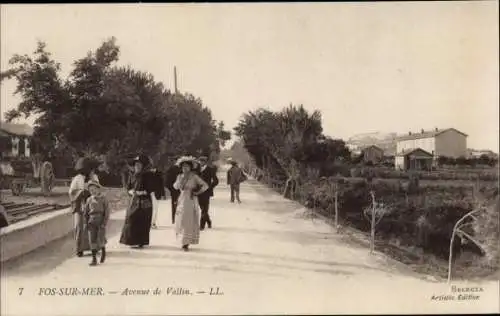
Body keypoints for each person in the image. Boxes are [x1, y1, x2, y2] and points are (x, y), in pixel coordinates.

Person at [119, 154, 156, 248]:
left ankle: (141, 242)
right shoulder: (132, 176)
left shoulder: (148, 176)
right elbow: (128, 188)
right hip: (134, 200)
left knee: (143, 220)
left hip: (145, 201)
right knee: (131, 218)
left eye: (139, 165)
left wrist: (142, 192)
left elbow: (150, 189)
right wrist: (131, 191)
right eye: (136, 165)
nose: (137, 166)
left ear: (143, 166)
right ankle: (131, 241)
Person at [173, 156, 209, 251]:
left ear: (190, 167)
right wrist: (179, 182)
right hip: (181, 199)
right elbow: (175, 187)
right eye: (183, 166)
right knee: (181, 220)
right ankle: (182, 240)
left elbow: (205, 185)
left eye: (187, 166)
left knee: (188, 221)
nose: (185, 168)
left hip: (191, 200)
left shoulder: (194, 176)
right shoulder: (179, 176)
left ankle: (186, 243)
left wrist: (197, 192)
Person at [69, 157, 100, 257]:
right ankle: (79, 249)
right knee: (79, 226)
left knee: (92, 226)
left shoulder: (94, 177)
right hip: (79, 205)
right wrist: (80, 193)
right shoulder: (77, 179)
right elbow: (71, 192)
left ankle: (93, 246)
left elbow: (98, 190)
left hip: (91, 206)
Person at [83, 180, 110, 266]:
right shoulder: (89, 200)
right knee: (92, 240)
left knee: (101, 239)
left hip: (100, 220)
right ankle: (94, 259)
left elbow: (107, 212)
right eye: (91, 190)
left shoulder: (103, 199)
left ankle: (103, 251)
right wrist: (86, 223)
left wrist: (104, 223)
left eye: (94, 189)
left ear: (98, 189)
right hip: (91, 221)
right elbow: (86, 212)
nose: (93, 191)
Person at [197, 156, 219, 230]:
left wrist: (210, 187)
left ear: (205, 162)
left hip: (207, 192)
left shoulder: (210, 169)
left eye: (202, 161)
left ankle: (201, 226)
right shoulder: (197, 170)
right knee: (202, 208)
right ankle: (209, 221)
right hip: (199, 192)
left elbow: (216, 181)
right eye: (200, 161)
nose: (201, 163)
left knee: (205, 208)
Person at [150, 160, 166, 229]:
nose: (152, 169)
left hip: (156, 194)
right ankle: (149, 223)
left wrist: (163, 194)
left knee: (155, 209)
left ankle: (153, 223)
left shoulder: (159, 174)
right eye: (151, 167)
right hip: (148, 194)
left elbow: (161, 184)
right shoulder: (147, 174)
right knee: (149, 209)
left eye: (154, 167)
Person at [165, 158, 181, 224]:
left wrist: (170, 189)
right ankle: (177, 219)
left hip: (175, 190)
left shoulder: (171, 169)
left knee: (175, 204)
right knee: (179, 204)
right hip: (178, 190)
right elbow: (167, 181)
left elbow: (167, 181)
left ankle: (174, 219)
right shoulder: (181, 168)